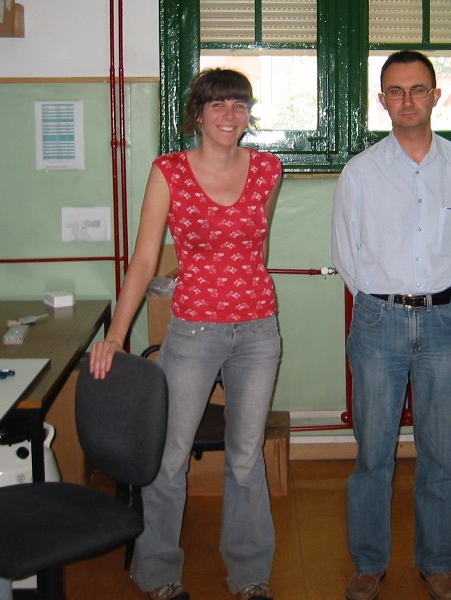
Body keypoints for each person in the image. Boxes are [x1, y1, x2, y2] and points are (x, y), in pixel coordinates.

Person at [89, 68, 283, 600]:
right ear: (197, 114)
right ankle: (156, 572)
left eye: (239, 105)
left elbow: (259, 247)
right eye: (217, 104)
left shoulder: (268, 169)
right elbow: (144, 258)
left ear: (248, 114)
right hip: (194, 331)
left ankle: (250, 574)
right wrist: (116, 335)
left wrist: (245, 292)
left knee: (246, 457)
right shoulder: (169, 171)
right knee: (170, 456)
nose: (229, 115)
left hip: (258, 331)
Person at [331, 50, 451, 600]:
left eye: (418, 89)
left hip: (445, 321)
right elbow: (346, 255)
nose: (408, 100)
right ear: (382, 100)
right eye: (396, 91)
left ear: (435, 95)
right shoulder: (360, 172)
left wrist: (435, 296)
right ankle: (369, 562)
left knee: (440, 453)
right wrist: (386, 302)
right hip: (379, 322)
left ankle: (436, 562)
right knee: (373, 453)